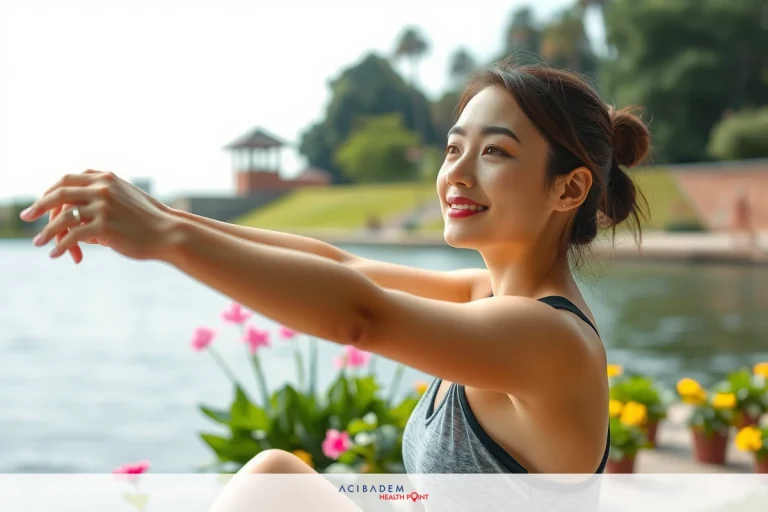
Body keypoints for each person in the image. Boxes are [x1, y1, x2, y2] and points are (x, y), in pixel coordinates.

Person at [20, 60, 649, 508]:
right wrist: (164, 217)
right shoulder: (487, 297)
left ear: (568, 188)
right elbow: (343, 268)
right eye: (453, 148)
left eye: (494, 153)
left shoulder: (549, 335)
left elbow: (360, 316)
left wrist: (166, 240)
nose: (456, 174)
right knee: (273, 479)